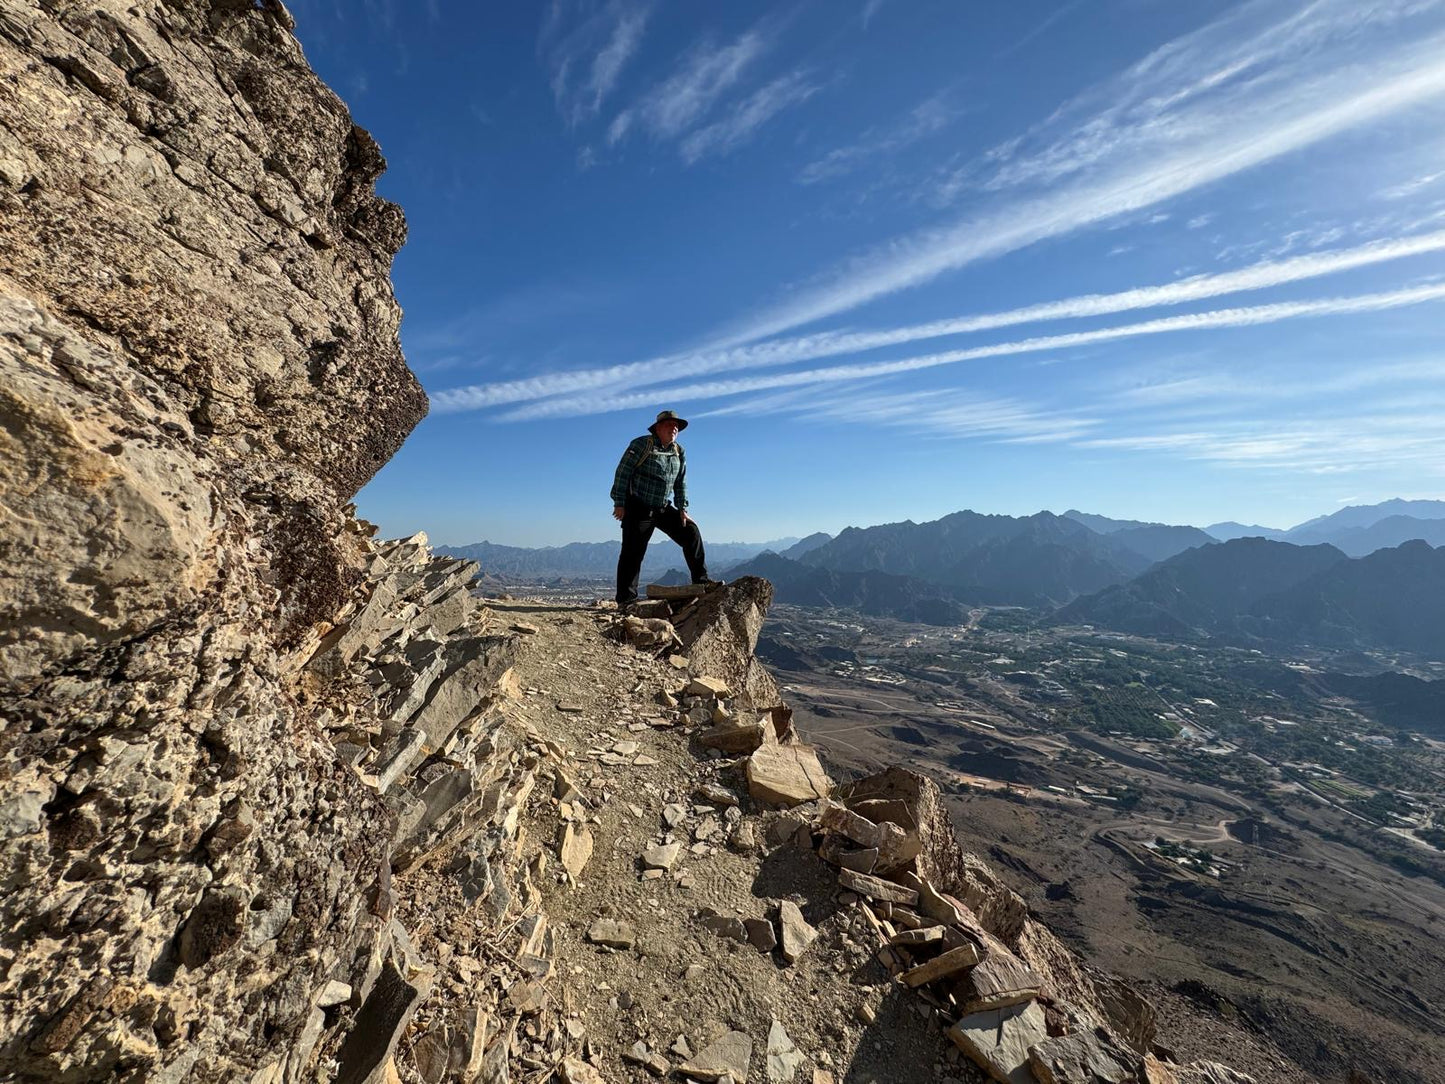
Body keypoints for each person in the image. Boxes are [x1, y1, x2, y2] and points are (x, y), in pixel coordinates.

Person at [611, 409, 715, 608]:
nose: (674, 428)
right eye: (669, 425)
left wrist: (682, 508)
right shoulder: (641, 445)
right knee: (633, 553)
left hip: (662, 507)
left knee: (691, 532)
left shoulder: (678, 451)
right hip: (639, 506)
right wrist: (619, 503)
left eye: (676, 426)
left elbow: (681, 482)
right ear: (658, 428)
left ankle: (702, 582)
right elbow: (622, 473)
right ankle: (626, 600)